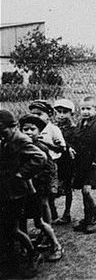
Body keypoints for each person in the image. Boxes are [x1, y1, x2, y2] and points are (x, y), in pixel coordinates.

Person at [0, 110, 47, 277]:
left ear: (13, 127)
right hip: (6, 190)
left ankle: (34, 254)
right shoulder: (6, 139)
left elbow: (40, 158)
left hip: (16, 192)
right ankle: (13, 255)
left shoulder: (20, 140)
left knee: (13, 229)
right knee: (8, 227)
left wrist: (22, 173)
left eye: (3, 131)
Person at [19, 114, 64, 262]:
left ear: (39, 132)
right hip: (23, 189)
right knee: (22, 219)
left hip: (38, 188)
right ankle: (25, 248)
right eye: (25, 129)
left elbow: (50, 168)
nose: (29, 132)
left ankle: (55, 244)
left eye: (33, 129)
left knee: (39, 220)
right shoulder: (20, 147)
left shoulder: (41, 148)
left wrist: (47, 183)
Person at [72, 96, 96, 234]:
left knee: (87, 190)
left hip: (92, 163)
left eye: (89, 108)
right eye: (83, 109)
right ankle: (88, 217)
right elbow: (76, 139)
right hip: (81, 163)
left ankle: (95, 215)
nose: (85, 111)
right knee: (82, 191)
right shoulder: (80, 123)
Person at [29, 100, 66, 222]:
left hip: (49, 165)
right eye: (32, 114)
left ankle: (48, 224)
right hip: (34, 166)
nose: (35, 117)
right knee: (38, 197)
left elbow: (61, 148)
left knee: (47, 196)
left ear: (49, 115)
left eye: (39, 114)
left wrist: (46, 143)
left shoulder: (53, 129)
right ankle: (48, 220)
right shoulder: (30, 129)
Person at [53, 99, 76, 225]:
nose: (61, 115)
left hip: (67, 161)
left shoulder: (74, 129)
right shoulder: (54, 128)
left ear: (71, 114)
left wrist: (68, 147)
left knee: (67, 187)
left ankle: (67, 213)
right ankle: (53, 212)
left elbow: (75, 145)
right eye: (59, 112)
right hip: (55, 160)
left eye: (65, 112)